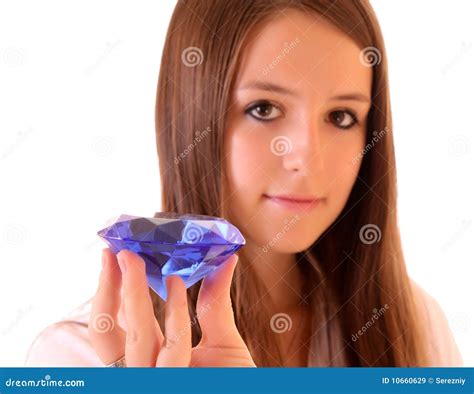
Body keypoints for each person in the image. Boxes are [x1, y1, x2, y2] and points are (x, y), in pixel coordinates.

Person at [25, 0, 464, 367]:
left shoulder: (411, 325)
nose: (306, 159)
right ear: (193, 114)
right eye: (264, 109)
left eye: (341, 117)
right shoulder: (79, 358)